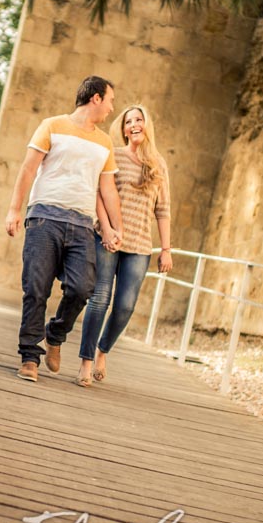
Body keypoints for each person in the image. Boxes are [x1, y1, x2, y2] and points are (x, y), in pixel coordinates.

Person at [4, 76, 124, 382]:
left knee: (83, 288)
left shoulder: (104, 142)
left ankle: (55, 333)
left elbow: (107, 188)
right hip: (44, 217)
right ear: (96, 98)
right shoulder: (52, 125)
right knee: (36, 288)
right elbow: (28, 168)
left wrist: (114, 228)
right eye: (110, 100)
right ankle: (30, 356)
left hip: (83, 225)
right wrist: (14, 210)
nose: (112, 108)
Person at [76, 105, 172, 387]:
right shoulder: (114, 156)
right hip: (107, 239)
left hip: (140, 246)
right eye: (128, 121)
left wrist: (166, 249)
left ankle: (102, 350)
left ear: (147, 125)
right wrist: (105, 229)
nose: (134, 125)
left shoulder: (158, 164)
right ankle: (85, 361)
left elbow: (163, 210)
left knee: (125, 306)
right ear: (123, 129)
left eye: (139, 120)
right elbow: (99, 194)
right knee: (100, 299)